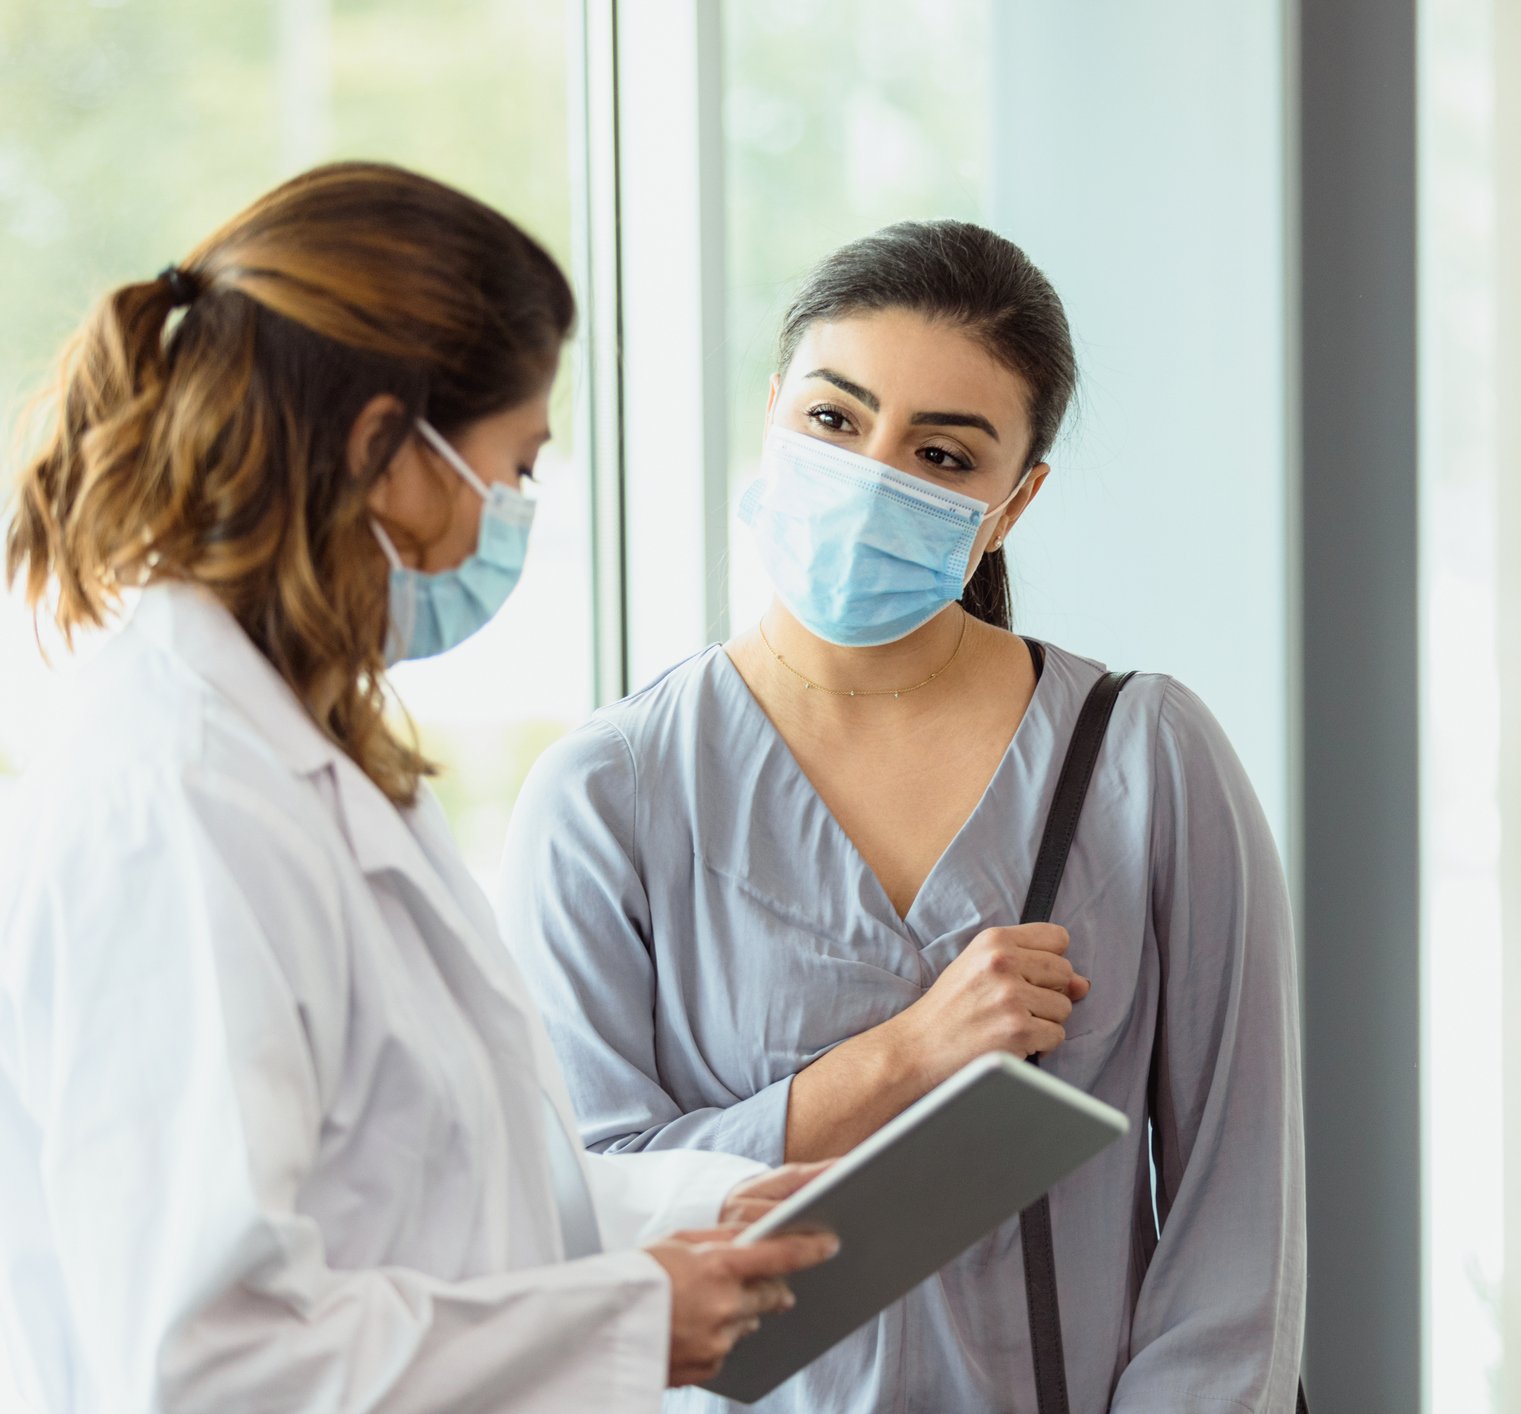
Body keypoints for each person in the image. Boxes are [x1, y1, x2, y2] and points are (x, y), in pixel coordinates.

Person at [0, 161, 839, 1414]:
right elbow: (208, 1364)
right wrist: (629, 1318)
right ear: (387, 446)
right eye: (518, 465)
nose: (515, 514)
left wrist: (709, 1210)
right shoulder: (180, 799)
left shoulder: (311, 754)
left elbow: (454, 1197)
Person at [503, 220, 1306, 1412]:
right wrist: (908, 1057)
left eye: (941, 455)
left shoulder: (1144, 759)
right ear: (774, 411)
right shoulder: (607, 795)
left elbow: (1237, 1231)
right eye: (834, 420)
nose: (873, 474)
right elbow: (581, 1218)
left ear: (1014, 502)